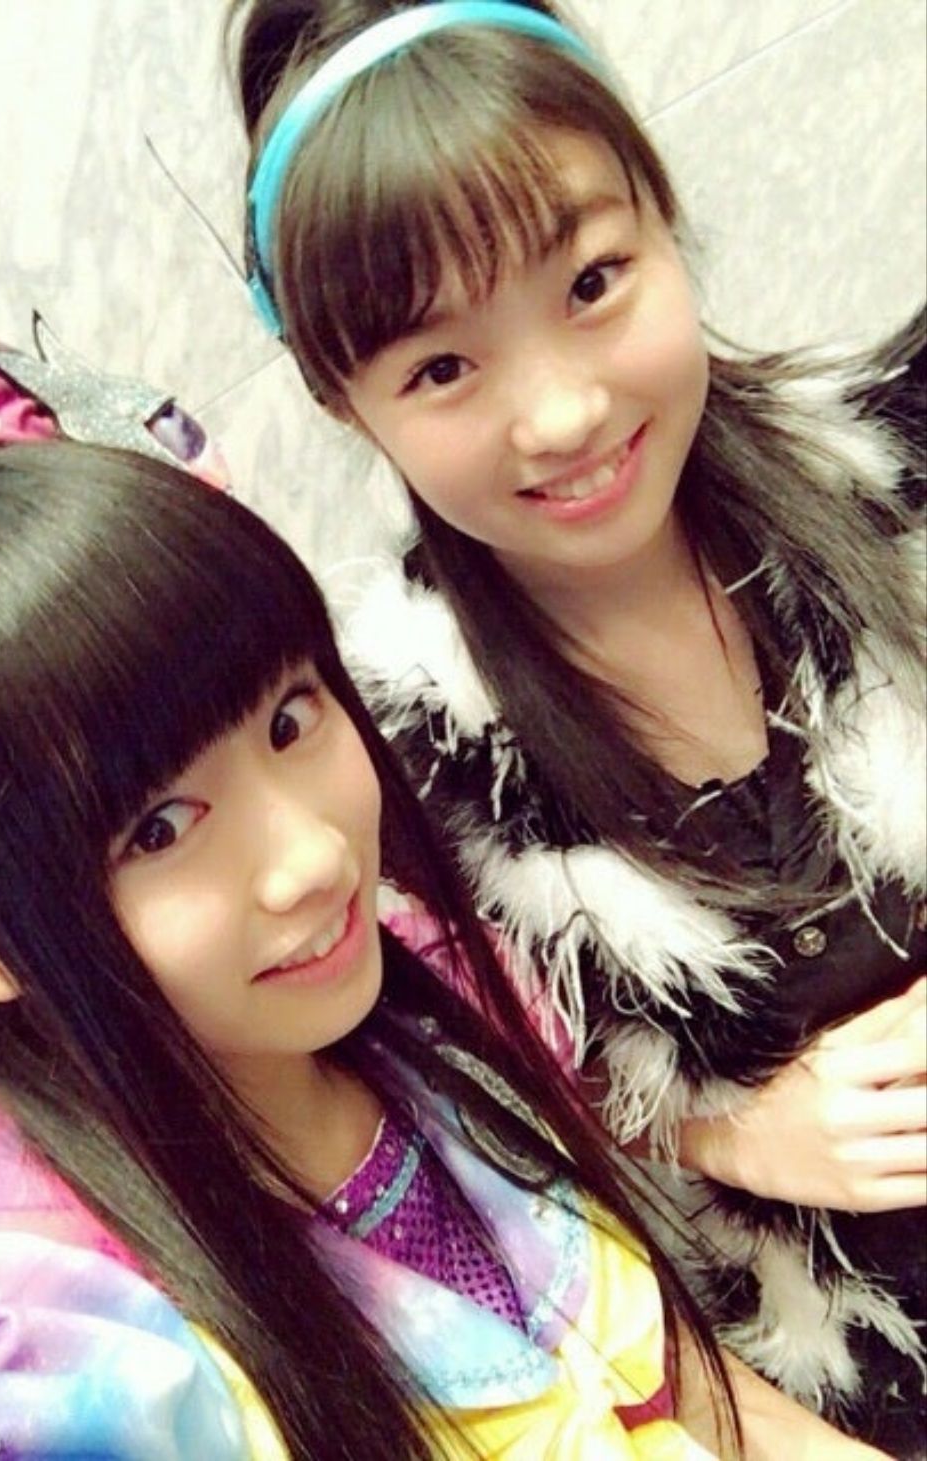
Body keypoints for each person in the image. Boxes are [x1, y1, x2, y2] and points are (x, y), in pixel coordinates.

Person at [0, 321, 887, 1460]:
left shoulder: (410, 986)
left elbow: (693, 1392)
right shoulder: (59, 1354)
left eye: (290, 720)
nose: (313, 858)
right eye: (159, 829)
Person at [227, 2, 927, 1453]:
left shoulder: (894, 476)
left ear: (664, 217)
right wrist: (727, 1126)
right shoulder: (380, 763)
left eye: (594, 282)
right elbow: (428, 1112)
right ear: (342, 402)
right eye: (441, 368)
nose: (557, 413)